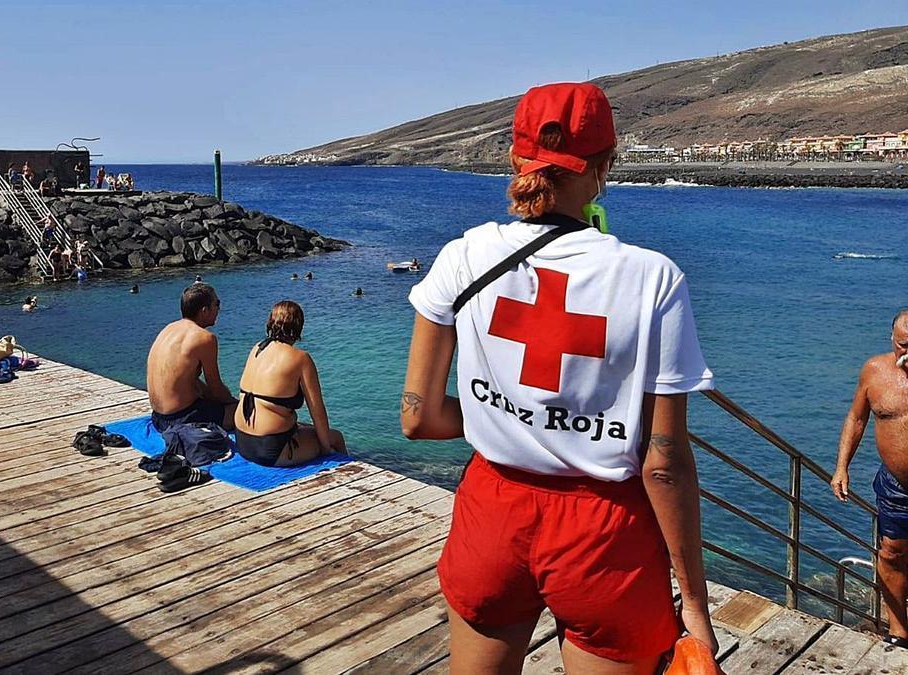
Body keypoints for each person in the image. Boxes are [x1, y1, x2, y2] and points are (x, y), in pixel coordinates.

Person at [401, 82, 716, 673]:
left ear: (516, 159)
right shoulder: (653, 279)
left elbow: (418, 418)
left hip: (492, 513)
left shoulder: (463, 256)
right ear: (604, 167)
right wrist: (695, 607)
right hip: (605, 534)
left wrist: (509, 419)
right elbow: (664, 460)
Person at [832, 309, 908, 647]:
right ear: (892, 339)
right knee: (891, 551)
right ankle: (899, 631)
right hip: (896, 485)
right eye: (903, 344)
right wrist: (841, 466)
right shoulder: (875, 371)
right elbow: (857, 417)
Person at [233, 300, 345, 467]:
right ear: (299, 327)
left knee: (305, 427)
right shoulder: (300, 358)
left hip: (242, 441)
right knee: (336, 437)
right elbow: (318, 412)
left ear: (271, 322)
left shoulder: (257, 348)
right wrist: (325, 448)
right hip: (272, 449)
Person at [145, 284, 237, 433]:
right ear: (204, 310)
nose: (219, 308)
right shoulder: (204, 338)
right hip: (181, 419)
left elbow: (190, 378)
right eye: (217, 304)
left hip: (158, 418)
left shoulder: (168, 329)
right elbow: (215, 388)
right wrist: (234, 403)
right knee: (244, 413)